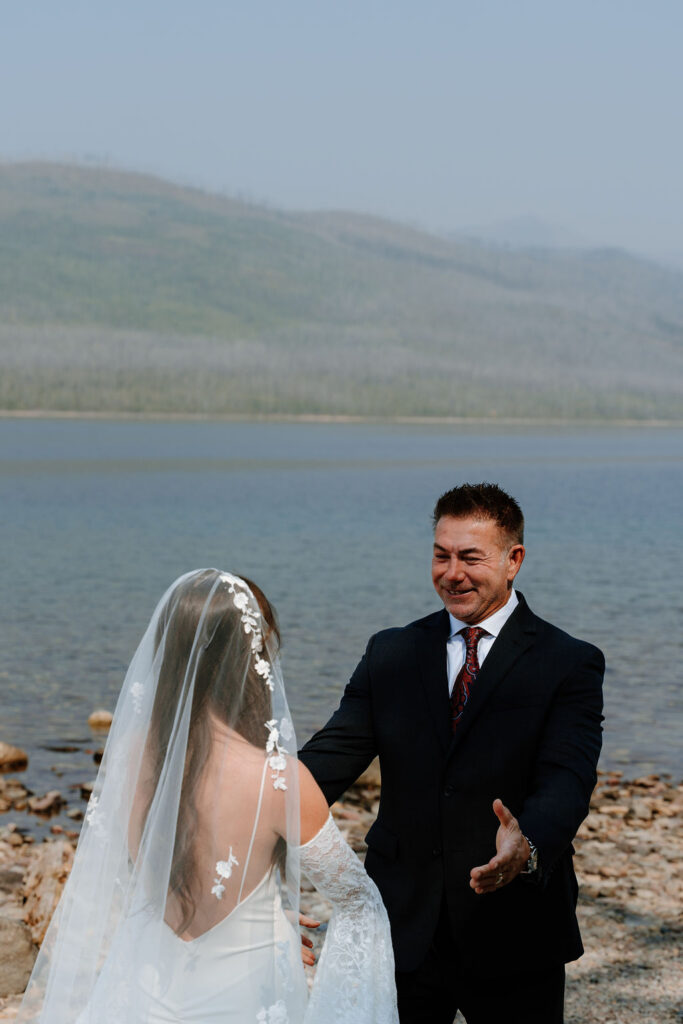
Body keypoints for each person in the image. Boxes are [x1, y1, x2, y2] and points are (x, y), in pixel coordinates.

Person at [17, 569, 398, 1024]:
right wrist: (272, 927)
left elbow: (154, 876)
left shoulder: (131, 754)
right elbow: (360, 905)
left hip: (144, 990)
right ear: (249, 661)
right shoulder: (277, 779)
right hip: (240, 1001)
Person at [300, 483, 605, 1024]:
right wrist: (242, 803)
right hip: (403, 923)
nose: (452, 572)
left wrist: (526, 845)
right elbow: (327, 761)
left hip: (516, 927)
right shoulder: (390, 652)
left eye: (470, 557)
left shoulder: (569, 662)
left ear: (514, 560)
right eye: (441, 555)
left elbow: (567, 779)